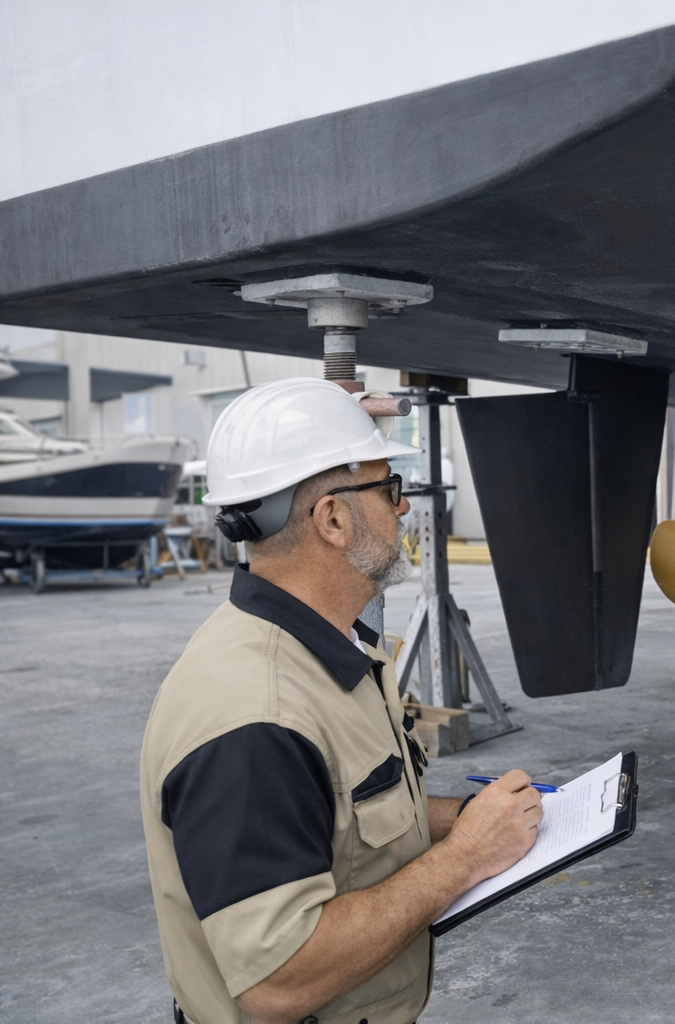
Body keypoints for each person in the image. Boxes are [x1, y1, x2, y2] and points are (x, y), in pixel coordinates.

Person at [140, 378, 544, 1024]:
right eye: (389, 491)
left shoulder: (325, 650)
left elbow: (347, 819)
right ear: (332, 519)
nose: (403, 510)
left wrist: (473, 818)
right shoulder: (254, 713)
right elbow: (277, 979)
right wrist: (464, 858)